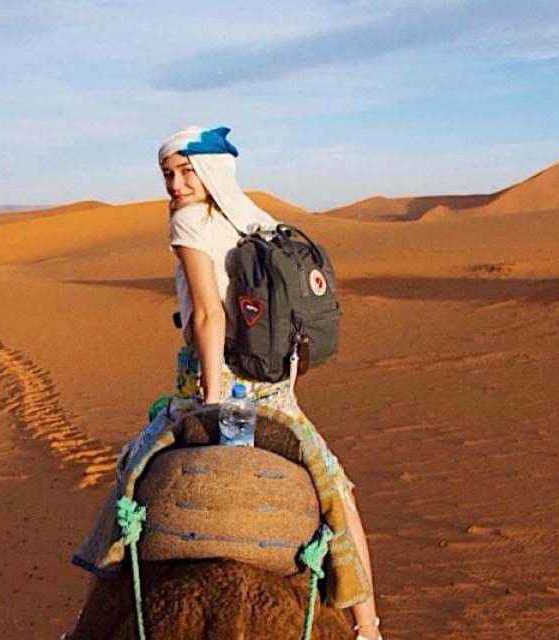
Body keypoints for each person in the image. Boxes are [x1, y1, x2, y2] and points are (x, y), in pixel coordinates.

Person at [66, 126, 384, 640]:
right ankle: (368, 629)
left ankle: (83, 629)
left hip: (207, 385)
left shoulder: (191, 223)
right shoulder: (257, 220)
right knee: (339, 497)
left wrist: (209, 400)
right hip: (276, 393)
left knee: (127, 484)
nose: (175, 184)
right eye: (168, 174)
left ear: (211, 170)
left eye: (186, 170)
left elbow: (209, 317)